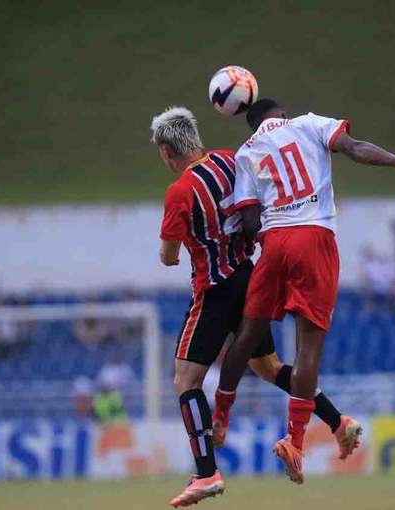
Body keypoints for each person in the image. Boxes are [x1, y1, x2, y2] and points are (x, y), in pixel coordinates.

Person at [150, 106, 360, 507]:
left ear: (166, 151)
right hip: (249, 277)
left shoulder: (180, 191)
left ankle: (206, 472)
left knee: (185, 380)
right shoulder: (232, 161)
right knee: (269, 367)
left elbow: (168, 255)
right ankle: (338, 421)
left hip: (214, 290)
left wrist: (173, 251)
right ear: (195, 136)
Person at [213, 98, 395, 484]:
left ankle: (220, 419)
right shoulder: (310, 124)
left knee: (246, 340)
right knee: (307, 349)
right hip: (315, 238)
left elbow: (248, 220)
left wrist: (259, 234)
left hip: (275, 240)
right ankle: (295, 442)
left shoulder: (248, 152)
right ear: (280, 114)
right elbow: (355, 148)